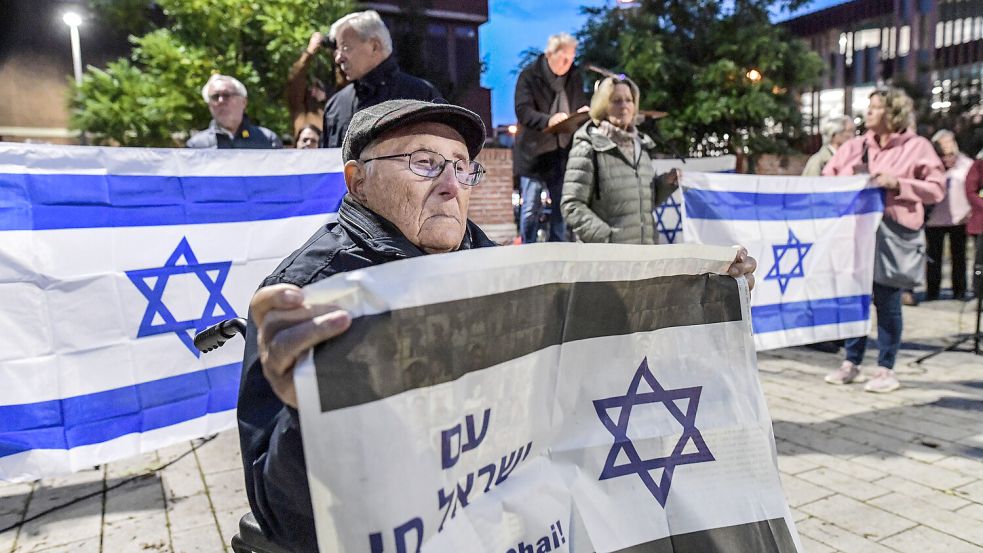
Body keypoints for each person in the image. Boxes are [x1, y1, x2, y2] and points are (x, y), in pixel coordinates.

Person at [237, 99, 758, 552]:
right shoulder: (307, 295)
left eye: (463, 168)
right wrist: (307, 415)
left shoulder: (489, 263)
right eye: (423, 163)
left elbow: (593, 357)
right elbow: (285, 522)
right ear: (358, 181)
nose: (450, 185)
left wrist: (702, 306)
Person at [822, 88, 945, 393]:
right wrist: (848, 181)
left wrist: (898, 184)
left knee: (888, 301)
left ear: (893, 114)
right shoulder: (854, 146)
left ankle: (885, 368)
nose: (869, 112)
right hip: (857, 232)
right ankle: (852, 361)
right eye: (870, 106)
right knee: (855, 299)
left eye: (876, 108)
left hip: (893, 232)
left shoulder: (918, 147)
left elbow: (937, 188)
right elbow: (826, 176)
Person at [560, 76, 678, 244]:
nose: (624, 106)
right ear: (603, 106)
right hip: (609, 262)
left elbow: (642, 202)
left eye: (629, 100)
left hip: (646, 256)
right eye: (616, 101)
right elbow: (571, 205)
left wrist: (667, 183)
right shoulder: (589, 148)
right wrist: (607, 239)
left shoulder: (641, 147)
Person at [319, 10, 443, 148]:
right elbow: (323, 164)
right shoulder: (335, 105)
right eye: (337, 50)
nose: (338, 58)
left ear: (374, 46)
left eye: (346, 47)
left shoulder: (421, 95)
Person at [513, 33, 589, 243]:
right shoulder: (529, 76)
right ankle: (528, 248)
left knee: (561, 208)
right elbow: (523, 111)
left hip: (561, 153)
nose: (569, 63)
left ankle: (560, 252)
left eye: (572, 58)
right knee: (530, 207)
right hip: (534, 154)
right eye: (565, 58)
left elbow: (578, 101)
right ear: (550, 54)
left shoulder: (573, 76)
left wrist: (581, 113)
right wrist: (548, 120)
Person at [925, 130, 974, 301]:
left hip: (960, 218)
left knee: (959, 256)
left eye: (950, 142)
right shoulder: (930, 165)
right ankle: (932, 291)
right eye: (943, 143)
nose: (947, 146)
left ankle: (959, 290)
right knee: (933, 257)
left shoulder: (967, 164)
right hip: (935, 219)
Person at [186, 74, 282, 149]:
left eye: (226, 95)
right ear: (209, 105)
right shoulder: (196, 146)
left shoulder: (267, 139)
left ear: (243, 102)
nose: (221, 101)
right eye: (215, 97)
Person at [286, 32, 330, 138]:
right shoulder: (300, 110)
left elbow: (343, 82)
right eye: (311, 88)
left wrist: (335, 51)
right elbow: (295, 81)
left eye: (318, 87)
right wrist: (309, 52)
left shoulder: (331, 110)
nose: (314, 91)